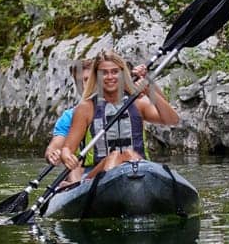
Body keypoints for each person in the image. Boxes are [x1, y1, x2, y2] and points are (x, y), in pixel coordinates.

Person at [60, 49, 179, 179]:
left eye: (115, 72)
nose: (110, 77)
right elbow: (68, 148)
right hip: (97, 175)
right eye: (104, 73)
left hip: (138, 168)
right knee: (115, 156)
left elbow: (172, 120)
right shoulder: (86, 108)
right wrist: (66, 156)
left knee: (130, 155)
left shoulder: (138, 102)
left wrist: (150, 89)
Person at [44, 58, 94, 183]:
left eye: (89, 79)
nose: (84, 85)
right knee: (74, 162)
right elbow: (54, 147)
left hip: (109, 170)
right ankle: (75, 188)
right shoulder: (69, 117)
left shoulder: (117, 110)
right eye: (80, 81)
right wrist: (52, 155)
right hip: (79, 174)